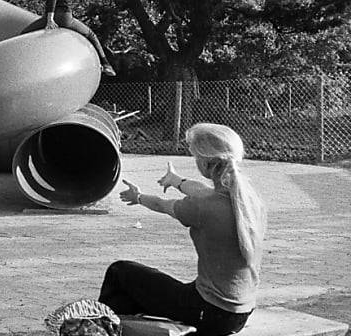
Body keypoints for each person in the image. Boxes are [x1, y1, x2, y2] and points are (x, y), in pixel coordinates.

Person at [98, 123, 267, 336]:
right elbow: (202, 191)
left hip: (209, 312)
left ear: (204, 163)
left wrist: (138, 197)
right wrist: (176, 181)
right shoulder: (249, 200)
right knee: (146, 286)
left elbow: (162, 205)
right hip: (239, 313)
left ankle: (101, 331)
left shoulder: (202, 207)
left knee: (120, 272)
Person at [43, 0, 116, 76]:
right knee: (91, 35)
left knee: (25, 33)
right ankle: (106, 64)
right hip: (67, 17)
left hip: (56, 16)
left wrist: (50, 19)